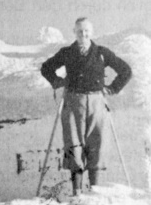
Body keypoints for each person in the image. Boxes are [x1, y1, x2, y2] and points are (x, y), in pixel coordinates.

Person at [41, 17, 132, 195]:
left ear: (92, 32)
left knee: (96, 143)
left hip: (97, 102)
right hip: (73, 101)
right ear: (74, 32)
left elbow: (125, 71)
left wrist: (113, 88)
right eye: (80, 31)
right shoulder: (67, 52)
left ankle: (95, 191)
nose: (83, 34)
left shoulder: (101, 52)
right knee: (74, 144)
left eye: (86, 31)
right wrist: (58, 82)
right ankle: (77, 192)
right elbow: (46, 68)